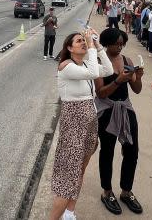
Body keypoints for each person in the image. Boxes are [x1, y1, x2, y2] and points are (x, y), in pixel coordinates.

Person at [49, 28, 102, 220]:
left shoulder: (83, 65)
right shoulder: (66, 66)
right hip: (74, 125)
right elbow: (94, 72)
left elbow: (108, 70)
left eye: (83, 40)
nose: (82, 42)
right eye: (78, 41)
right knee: (68, 176)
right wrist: (90, 47)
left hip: (89, 122)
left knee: (80, 168)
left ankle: (69, 213)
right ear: (69, 48)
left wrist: (97, 45)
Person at [94, 28, 143, 215]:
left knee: (132, 150)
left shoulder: (127, 60)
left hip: (126, 108)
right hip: (106, 110)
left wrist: (137, 77)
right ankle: (107, 191)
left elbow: (137, 89)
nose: (120, 46)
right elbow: (101, 92)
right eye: (117, 43)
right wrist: (118, 80)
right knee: (107, 151)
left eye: (122, 43)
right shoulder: (99, 61)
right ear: (107, 43)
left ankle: (126, 190)